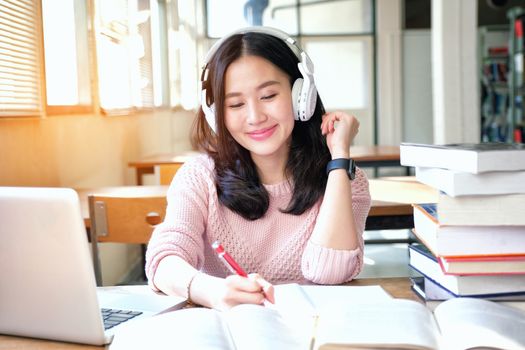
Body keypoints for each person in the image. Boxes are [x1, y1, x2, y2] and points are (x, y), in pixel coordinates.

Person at [145, 27, 371, 311]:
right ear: (217, 114)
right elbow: (164, 261)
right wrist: (212, 291)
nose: (255, 117)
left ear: (302, 95)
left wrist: (339, 158)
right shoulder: (199, 177)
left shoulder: (346, 180)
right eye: (236, 103)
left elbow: (332, 271)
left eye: (268, 96)